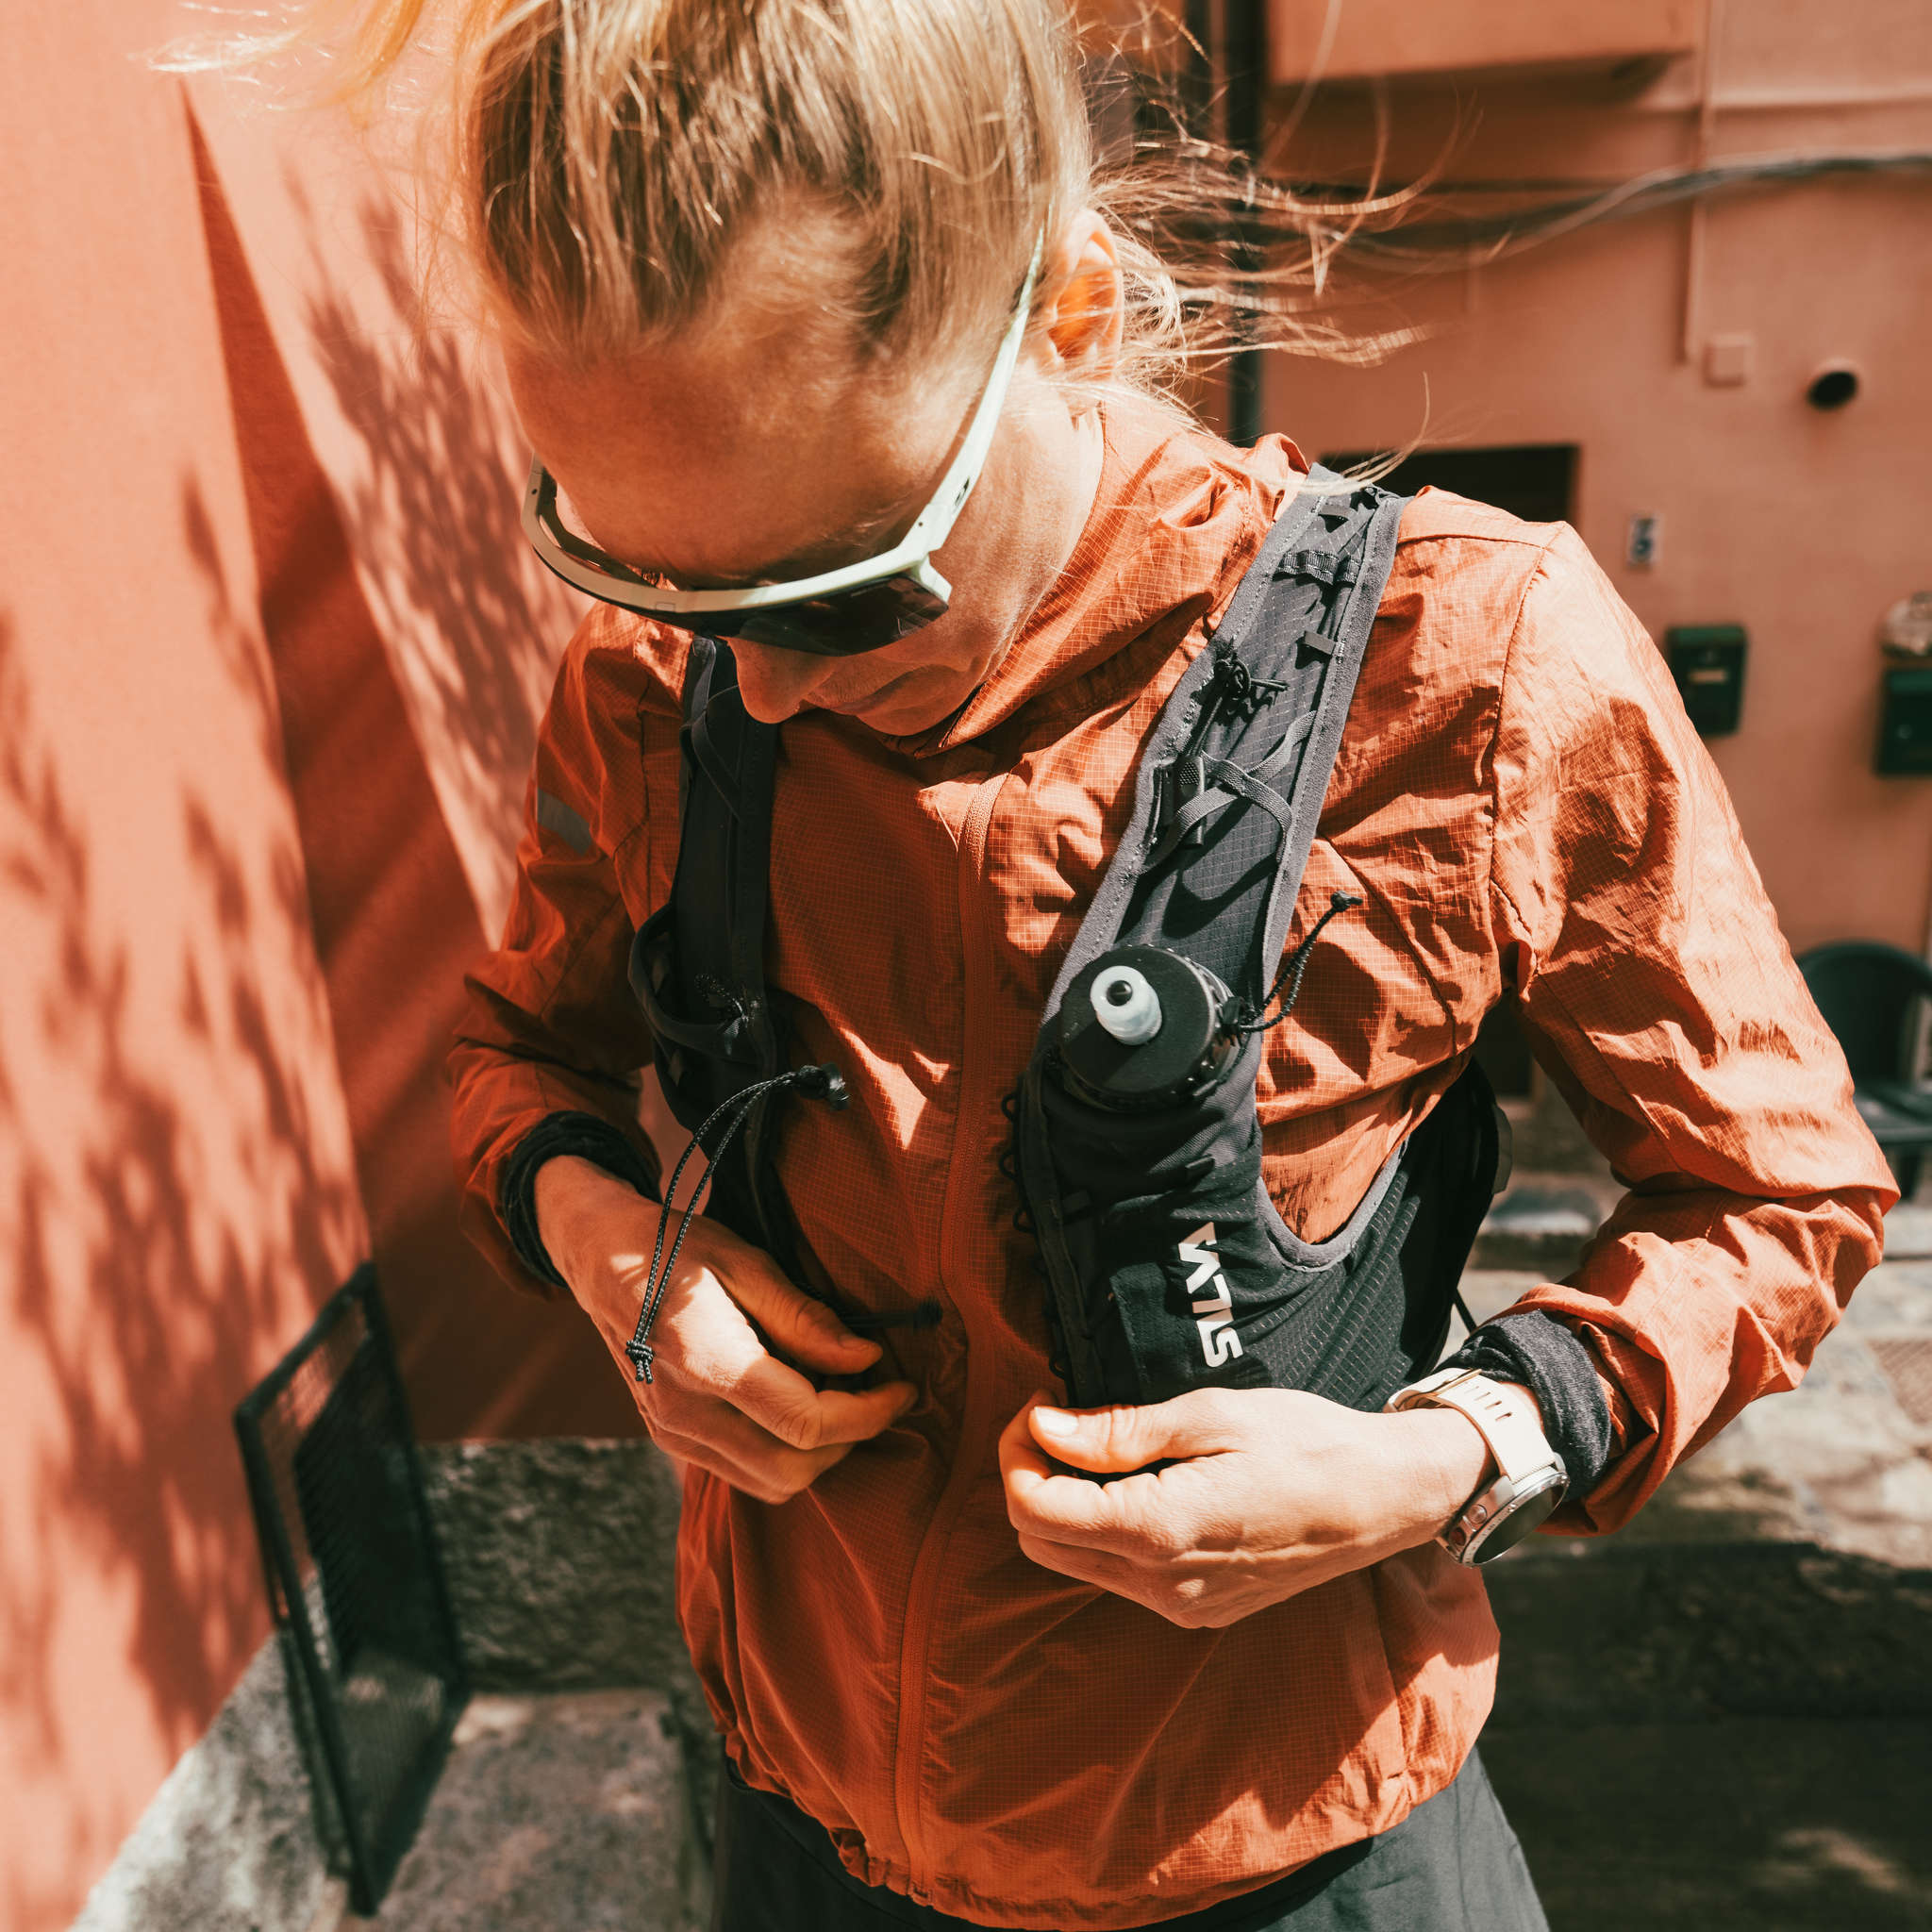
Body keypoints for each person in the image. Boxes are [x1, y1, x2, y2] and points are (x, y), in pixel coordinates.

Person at [283, 0, 1898, 1924]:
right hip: (804, 1842)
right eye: (637, 572)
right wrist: (624, 1264)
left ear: (1060, 316)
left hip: (1301, 1868)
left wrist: (1451, 1455)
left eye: (839, 586)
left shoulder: (1466, 657)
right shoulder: (661, 684)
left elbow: (1779, 1192)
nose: (758, 687)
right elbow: (519, 1060)